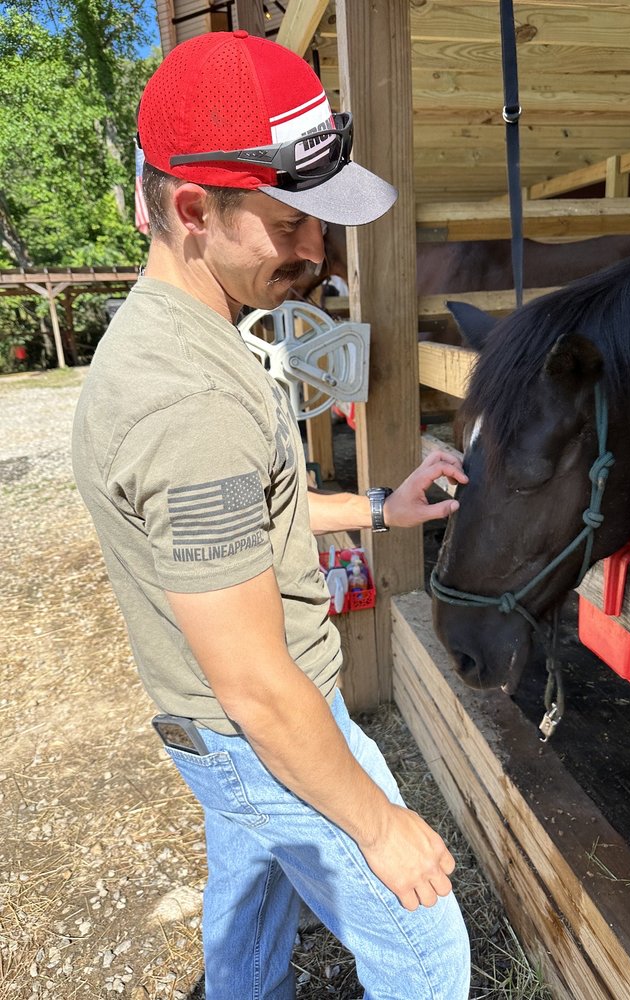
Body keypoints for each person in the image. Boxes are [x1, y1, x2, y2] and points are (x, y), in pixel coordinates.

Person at [71, 29, 471, 1000]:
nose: (317, 249)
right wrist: (383, 825)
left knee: (248, 895)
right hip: (261, 725)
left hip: (223, 729)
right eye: (293, 220)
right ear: (197, 209)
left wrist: (380, 505)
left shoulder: (194, 334)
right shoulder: (188, 405)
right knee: (427, 949)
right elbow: (254, 682)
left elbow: (252, 520)